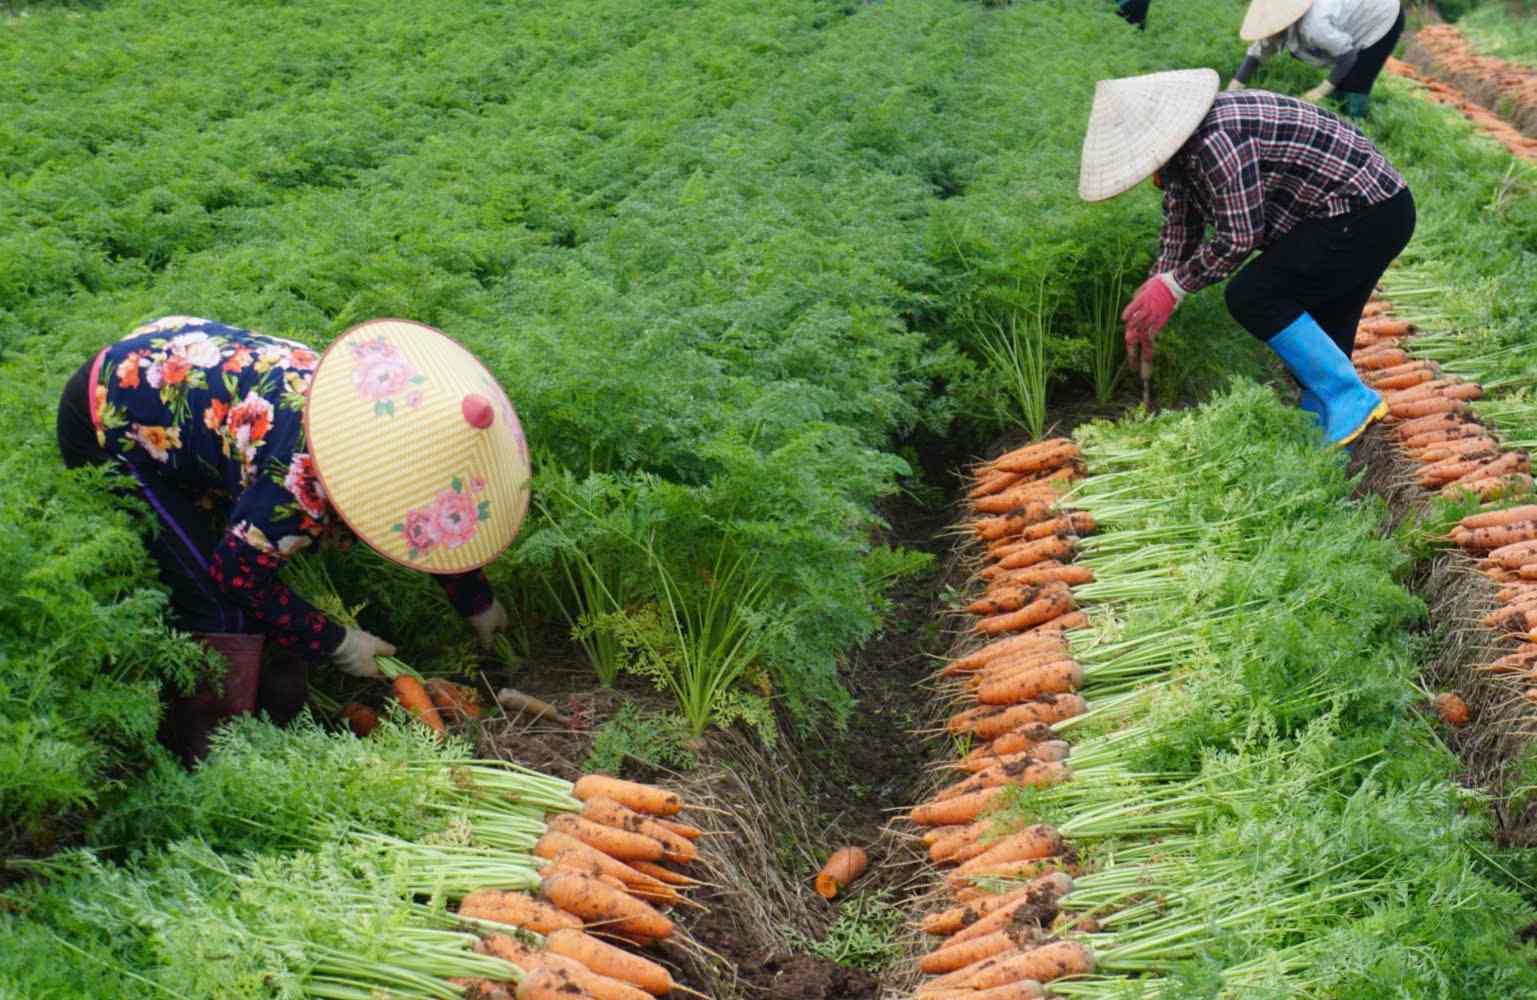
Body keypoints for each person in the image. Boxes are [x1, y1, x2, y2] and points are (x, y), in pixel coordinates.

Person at [56, 315, 533, 762]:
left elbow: (425, 509)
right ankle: (212, 753)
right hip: (110, 417)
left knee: (256, 573)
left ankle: (273, 702)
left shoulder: (380, 417)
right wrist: (336, 641)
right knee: (215, 597)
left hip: (182, 380)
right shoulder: (298, 481)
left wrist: (474, 597)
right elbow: (237, 574)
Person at [1078, 68, 1415, 446]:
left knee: (1253, 295)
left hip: (1366, 214)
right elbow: (1180, 226)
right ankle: (1330, 443)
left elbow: (1239, 237)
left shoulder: (1215, 140)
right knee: (1322, 335)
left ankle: (1350, 399)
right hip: (1352, 215)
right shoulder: (1181, 156)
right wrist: (1157, 287)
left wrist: (1174, 287)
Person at [1227, 0, 1404, 119]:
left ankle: (1357, 125)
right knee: (1339, 85)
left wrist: (1319, 91)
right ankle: (1336, 107)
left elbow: (1348, 56)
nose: (1269, 35)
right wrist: (1233, 88)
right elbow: (1257, 53)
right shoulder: (1277, 22)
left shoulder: (1315, 26)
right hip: (1355, 11)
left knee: (1355, 83)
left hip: (1383, 16)